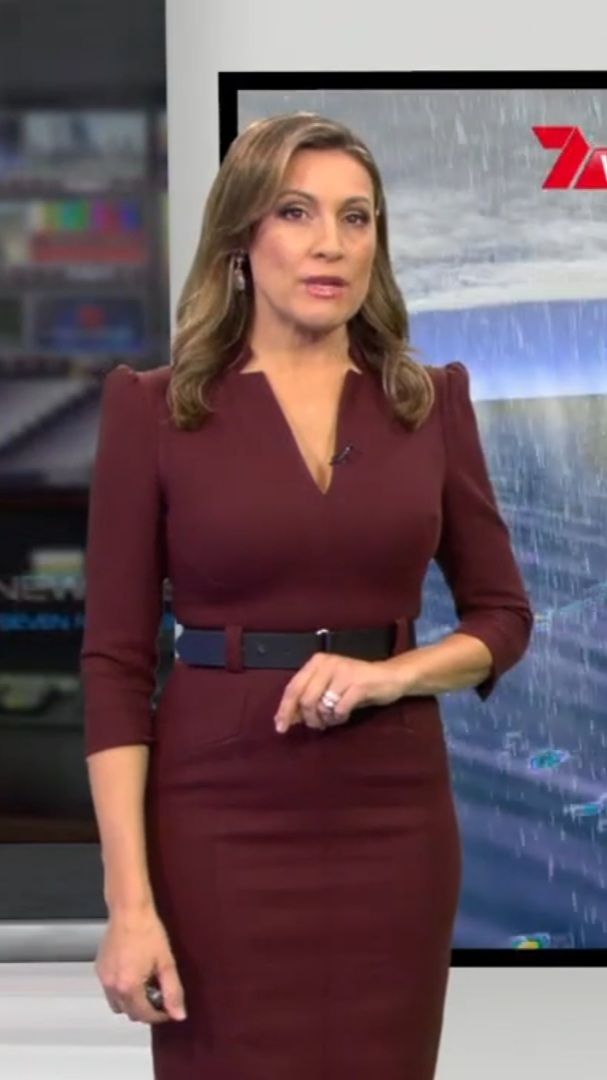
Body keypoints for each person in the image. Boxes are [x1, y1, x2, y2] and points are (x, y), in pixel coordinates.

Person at [80, 111, 533, 1080]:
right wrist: (128, 905)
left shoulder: (428, 402)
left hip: (393, 822)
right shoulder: (153, 410)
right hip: (216, 818)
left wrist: (390, 676)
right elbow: (114, 665)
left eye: (355, 217)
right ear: (242, 237)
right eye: (296, 212)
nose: (331, 242)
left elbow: (502, 617)